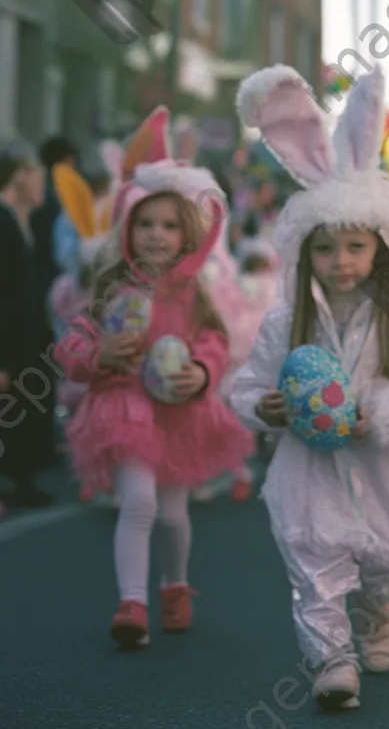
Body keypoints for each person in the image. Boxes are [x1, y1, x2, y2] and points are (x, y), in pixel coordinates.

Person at [230, 65, 389, 712]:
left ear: (380, 247)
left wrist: (376, 414)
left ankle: (382, 601)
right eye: (326, 248)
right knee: (315, 560)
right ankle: (332, 658)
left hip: (385, 469)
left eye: (355, 245)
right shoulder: (286, 322)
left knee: (379, 558)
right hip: (309, 469)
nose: (341, 261)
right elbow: (243, 385)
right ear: (306, 253)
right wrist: (262, 406)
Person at [53, 156, 253, 648]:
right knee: (138, 501)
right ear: (128, 230)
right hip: (123, 407)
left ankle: (175, 585)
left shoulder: (191, 291)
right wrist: (98, 355)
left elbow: (214, 341)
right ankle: (132, 603)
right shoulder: (111, 289)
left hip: (178, 413)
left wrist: (201, 371)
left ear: (188, 235)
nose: (156, 235)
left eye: (168, 225)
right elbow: (69, 349)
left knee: (171, 515)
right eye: (145, 223)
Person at [0, 142, 54, 508]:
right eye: (38, 177)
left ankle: (20, 479)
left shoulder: (22, 222)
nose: (43, 188)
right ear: (20, 176)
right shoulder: (3, 223)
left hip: (24, 346)